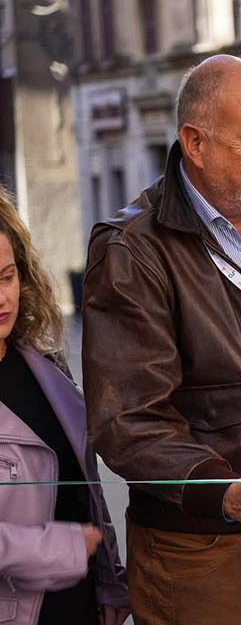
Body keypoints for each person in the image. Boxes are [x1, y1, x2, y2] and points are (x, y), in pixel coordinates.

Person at [82, 55, 241, 624]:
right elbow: (126, 421)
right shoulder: (134, 248)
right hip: (203, 553)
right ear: (195, 143)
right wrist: (222, 490)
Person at [0, 189, 129, 625]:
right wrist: (66, 548)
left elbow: (84, 486)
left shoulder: (43, 363)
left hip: (79, 604)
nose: (2, 298)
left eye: (6, 277)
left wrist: (109, 579)